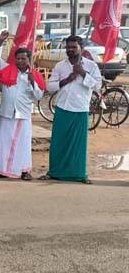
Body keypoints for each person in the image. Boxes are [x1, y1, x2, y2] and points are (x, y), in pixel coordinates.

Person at [42, 35, 101, 183]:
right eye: (68, 47)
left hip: (80, 109)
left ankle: (79, 174)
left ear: (82, 48)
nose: (70, 50)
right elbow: (50, 86)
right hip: (62, 107)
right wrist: (67, 80)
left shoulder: (91, 66)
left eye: (74, 47)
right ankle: (54, 172)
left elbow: (97, 86)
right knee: (58, 143)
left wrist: (82, 73)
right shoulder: (60, 66)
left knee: (78, 145)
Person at [0, 31, 45, 180]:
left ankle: (24, 170)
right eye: (18, 58)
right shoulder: (8, 69)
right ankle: (1, 170)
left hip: (23, 114)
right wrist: (0, 42)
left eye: (23, 58)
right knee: (3, 142)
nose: (20, 61)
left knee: (23, 144)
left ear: (29, 59)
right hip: (7, 112)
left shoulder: (34, 75)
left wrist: (33, 81)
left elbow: (39, 96)